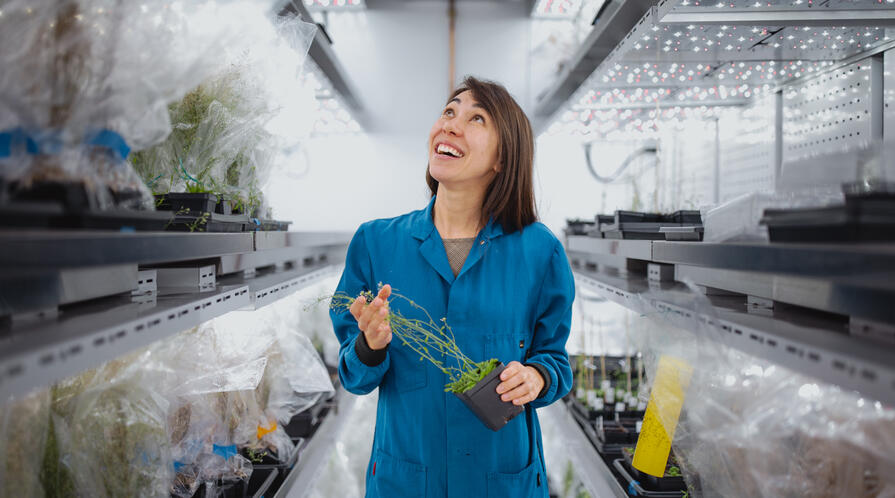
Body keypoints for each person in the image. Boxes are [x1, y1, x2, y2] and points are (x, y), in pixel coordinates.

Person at [330, 76, 574, 498]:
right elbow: (354, 376)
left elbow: (555, 360)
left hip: (500, 481)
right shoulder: (376, 243)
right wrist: (370, 344)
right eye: (449, 111)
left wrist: (536, 376)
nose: (451, 124)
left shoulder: (540, 251)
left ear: (502, 158)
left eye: (475, 118)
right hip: (406, 479)